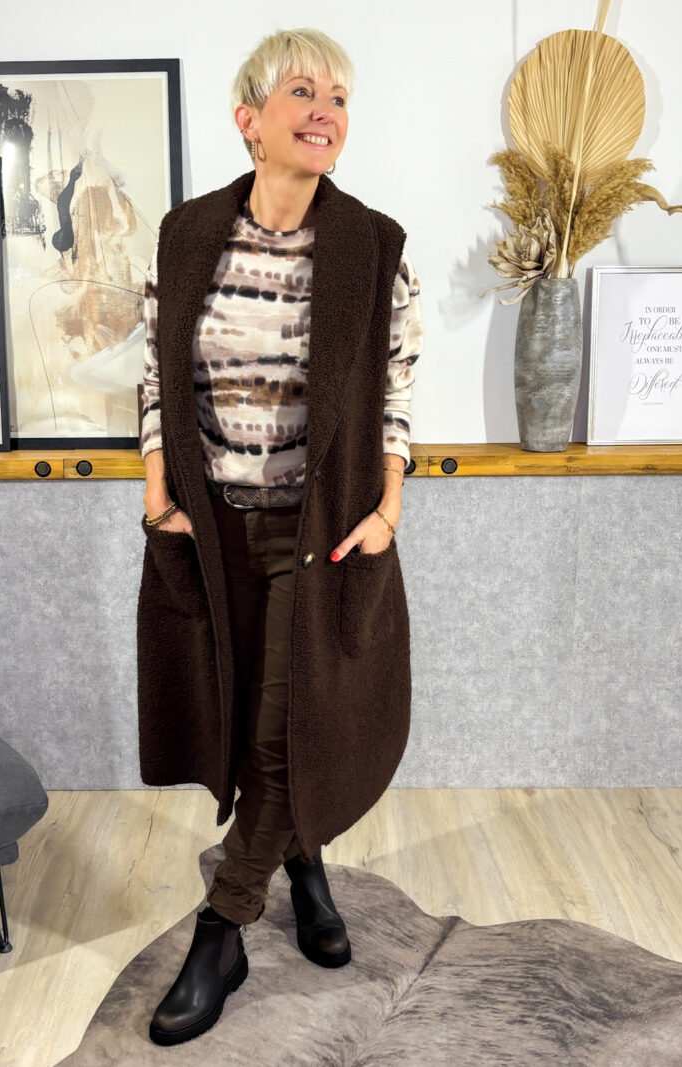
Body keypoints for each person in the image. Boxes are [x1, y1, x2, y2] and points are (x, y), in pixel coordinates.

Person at [138, 27, 422, 1047]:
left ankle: (221, 931)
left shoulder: (372, 244)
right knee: (248, 719)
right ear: (248, 118)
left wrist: (388, 506)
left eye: (339, 97)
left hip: (325, 532)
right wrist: (157, 497)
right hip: (215, 530)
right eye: (303, 90)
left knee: (277, 727)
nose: (326, 111)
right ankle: (305, 867)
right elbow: (154, 372)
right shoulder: (186, 235)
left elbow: (397, 382)